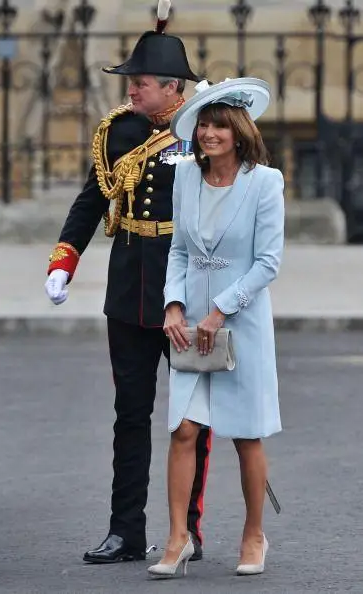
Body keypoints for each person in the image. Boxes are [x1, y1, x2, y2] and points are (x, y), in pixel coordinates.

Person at [44, 0, 211, 564]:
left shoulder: (205, 132)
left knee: (192, 418)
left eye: (139, 83)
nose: (130, 91)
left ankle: (187, 529)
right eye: (131, 83)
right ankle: (125, 531)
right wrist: (64, 260)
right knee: (130, 416)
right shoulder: (118, 133)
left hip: (185, 292)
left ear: (172, 88)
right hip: (128, 288)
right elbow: (93, 199)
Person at [147, 77, 285, 578]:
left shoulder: (265, 183)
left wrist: (221, 309)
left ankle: (254, 535)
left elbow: (268, 262)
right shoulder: (185, 177)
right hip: (190, 327)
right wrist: (173, 307)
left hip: (240, 321)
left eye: (219, 126)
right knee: (183, 429)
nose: (209, 134)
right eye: (203, 124)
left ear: (238, 131)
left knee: (246, 435)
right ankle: (177, 537)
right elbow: (179, 250)